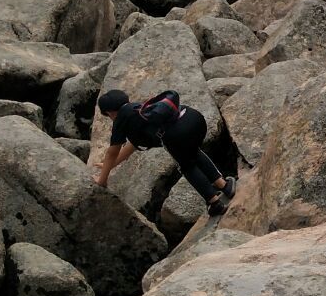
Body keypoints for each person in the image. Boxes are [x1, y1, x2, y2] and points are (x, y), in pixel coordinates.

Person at [93, 88, 236, 215]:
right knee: (193, 152)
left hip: (178, 134)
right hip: (194, 118)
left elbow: (112, 152)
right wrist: (109, 165)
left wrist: (102, 180)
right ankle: (225, 186)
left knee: (187, 166)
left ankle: (214, 203)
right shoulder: (139, 108)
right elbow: (132, 145)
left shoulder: (121, 120)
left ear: (110, 113)